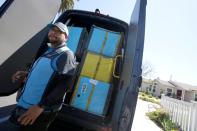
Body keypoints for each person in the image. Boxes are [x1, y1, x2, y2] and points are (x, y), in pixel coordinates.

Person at [0, 22, 77, 131]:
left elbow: (65, 85)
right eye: (52, 30)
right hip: (29, 106)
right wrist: (26, 73)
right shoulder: (49, 51)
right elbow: (49, 75)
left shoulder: (66, 54)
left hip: (40, 111)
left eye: (58, 31)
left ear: (66, 37)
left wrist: (41, 106)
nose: (53, 32)